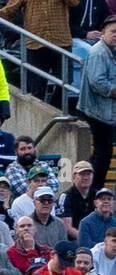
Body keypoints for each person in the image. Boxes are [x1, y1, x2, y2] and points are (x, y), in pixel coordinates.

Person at [78, 15, 116, 191]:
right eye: (113, 31)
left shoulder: (110, 51)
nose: (115, 35)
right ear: (102, 33)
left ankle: (95, 187)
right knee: (102, 154)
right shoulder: (99, 52)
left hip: (106, 111)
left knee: (104, 153)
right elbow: (97, 81)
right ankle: (92, 188)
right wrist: (113, 90)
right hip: (96, 111)